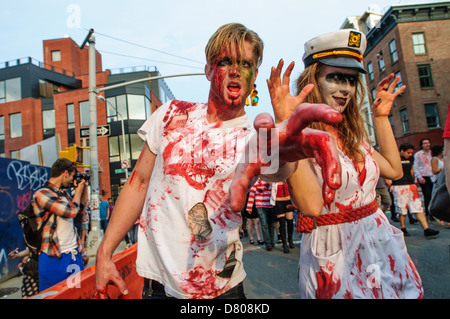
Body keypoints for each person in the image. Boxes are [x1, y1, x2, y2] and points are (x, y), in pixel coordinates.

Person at [95, 23, 344, 299]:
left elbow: (280, 174)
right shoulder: (171, 115)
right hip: (158, 286)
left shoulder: (254, 137)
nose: (235, 70)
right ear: (208, 70)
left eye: (245, 63)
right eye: (225, 61)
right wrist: (104, 252)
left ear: (254, 77)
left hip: (221, 290)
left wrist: (287, 148)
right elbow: (138, 182)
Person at [268, 29, 424, 298]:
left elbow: (394, 170)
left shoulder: (353, 135)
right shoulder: (300, 138)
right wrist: (286, 122)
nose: (346, 89)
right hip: (333, 252)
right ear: (313, 79)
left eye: (351, 81)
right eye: (335, 77)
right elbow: (311, 206)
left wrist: (381, 116)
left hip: (378, 245)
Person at [34, 158, 88, 291]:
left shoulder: (63, 194)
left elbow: (80, 208)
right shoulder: (42, 193)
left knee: (77, 293)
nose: (72, 180)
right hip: (53, 257)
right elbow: (71, 211)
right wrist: (78, 191)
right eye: (71, 176)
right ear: (65, 173)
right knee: (53, 295)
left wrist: (84, 187)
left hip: (73, 255)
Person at [392, 143, 439, 237]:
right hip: (399, 185)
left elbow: (412, 170)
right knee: (402, 208)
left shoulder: (411, 158)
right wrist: (389, 183)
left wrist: (414, 180)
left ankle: (426, 229)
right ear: (402, 151)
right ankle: (403, 227)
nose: (410, 154)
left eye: (411, 153)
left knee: (418, 207)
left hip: (411, 185)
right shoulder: (395, 158)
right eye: (408, 152)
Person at [246, 178, 274, 250]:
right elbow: (252, 193)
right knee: (264, 224)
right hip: (260, 206)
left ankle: (271, 241)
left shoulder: (271, 180)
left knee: (271, 224)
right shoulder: (256, 181)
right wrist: (249, 207)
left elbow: (275, 191)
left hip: (270, 205)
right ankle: (268, 243)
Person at [414, 138, 434, 221]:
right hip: (424, 177)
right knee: (427, 195)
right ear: (421, 145)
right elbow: (416, 167)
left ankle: (434, 212)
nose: (427, 145)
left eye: (428, 143)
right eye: (425, 143)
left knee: (433, 195)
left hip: (433, 176)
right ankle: (429, 213)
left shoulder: (432, 153)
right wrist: (419, 177)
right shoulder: (418, 154)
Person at [273, 181, 295, 253]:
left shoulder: (287, 179)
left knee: (290, 222)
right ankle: (284, 244)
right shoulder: (274, 180)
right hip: (278, 202)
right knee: (282, 224)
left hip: (288, 201)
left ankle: (290, 240)